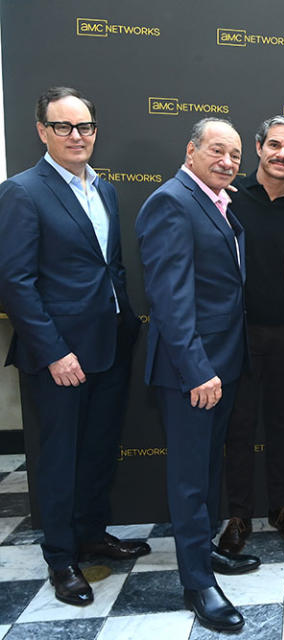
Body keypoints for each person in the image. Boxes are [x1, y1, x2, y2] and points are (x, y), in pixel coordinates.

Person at [0, 86, 148, 607]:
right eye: (63, 126)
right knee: (59, 459)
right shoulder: (22, 190)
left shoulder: (104, 189)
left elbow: (110, 265)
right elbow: (15, 283)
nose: (76, 136)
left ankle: (90, 534)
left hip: (108, 345)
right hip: (58, 356)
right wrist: (55, 351)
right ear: (41, 130)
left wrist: (126, 321)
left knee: (98, 451)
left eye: (84, 126)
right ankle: (61, 558)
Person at [137, 117, 260, 632]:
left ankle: (205, 554)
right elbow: (170, 300)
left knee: (208, 471)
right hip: (193, 370)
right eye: (216, 150)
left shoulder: (217, 201)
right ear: (190, 151)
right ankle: (197, 584)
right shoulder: (171, 201)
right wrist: (196, 371)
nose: (227, 161)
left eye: (234, 154)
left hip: (222, 364)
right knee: (189, 480)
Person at [219, 115, 284, 555]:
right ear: (258, 147)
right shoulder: (231, 198)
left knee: (281, 423)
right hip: (241, 332)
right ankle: (237, 513)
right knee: (238, 426)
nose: (282, 155)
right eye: (275, 145)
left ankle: (283, 507)